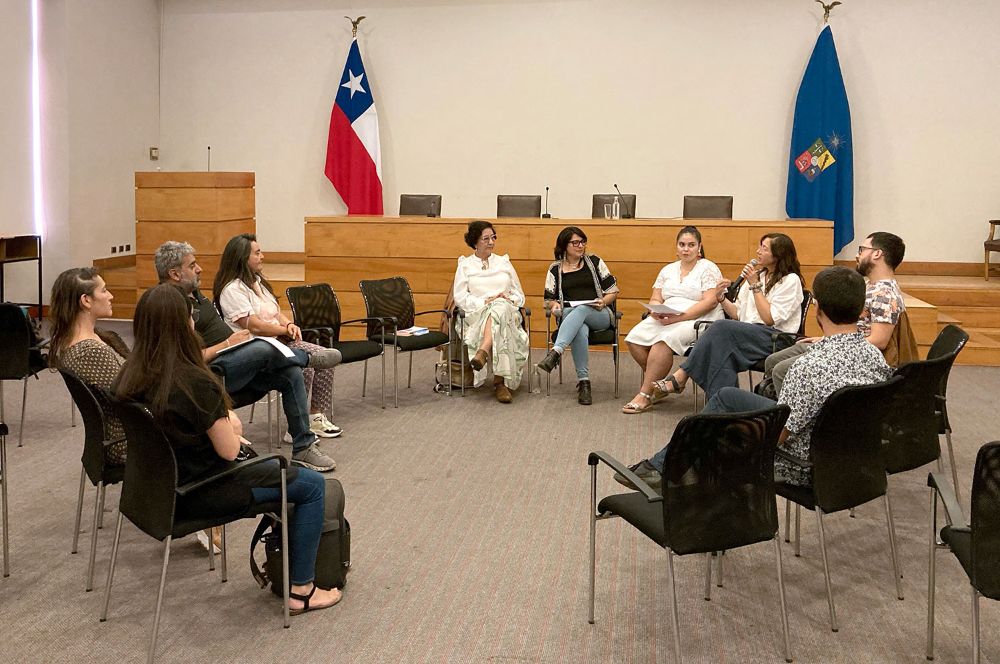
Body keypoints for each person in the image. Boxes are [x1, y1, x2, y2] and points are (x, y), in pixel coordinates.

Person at [113, 284, 341, 614]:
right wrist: (231, 424)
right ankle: (302, 590)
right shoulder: (194, 381)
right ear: (183, 325)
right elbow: (229, 451)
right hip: (202, 492)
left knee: (278, 472)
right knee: (312, 486)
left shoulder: (128, 377)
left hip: (152, 492)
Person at [618, 266, 892, 490]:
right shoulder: (875, 357)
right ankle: (670, 467)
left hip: (803, 465)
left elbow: (779, 435)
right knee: (727, 399)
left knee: (724, 411)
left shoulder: (807, 367)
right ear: (861, 311)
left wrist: (736, 427)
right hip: (853, 459)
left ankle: (666, 469)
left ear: (817, 309)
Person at [155, 241, 338, 473]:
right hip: (211, 375)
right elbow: (183, 362)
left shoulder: (195, 295)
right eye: (192, 265)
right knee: (262, 347)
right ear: (174, 274)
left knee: (290, 374)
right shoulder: (168, 305)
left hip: (236, 363)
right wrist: (228, 343)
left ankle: (303, 448)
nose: (199, 268)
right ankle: (306, 359)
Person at [212, 234, 344, 442]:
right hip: (258, 349)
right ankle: (296, 428)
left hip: (279, 342)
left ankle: (315, 417)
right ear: (242, 258)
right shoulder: (232, 290)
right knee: (307, 365)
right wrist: (282, 331)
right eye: (257, 253)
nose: (263, 256)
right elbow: (253, 325)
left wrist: (288, 324)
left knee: (326, 358)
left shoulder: (257, 282)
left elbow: (275, 312)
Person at [650, 232, 804, 402]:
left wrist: (755, 287)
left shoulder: (790, 280)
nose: (758, 251)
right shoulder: (757, 276)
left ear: (778, 255)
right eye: (759, 246)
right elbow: (738, 314)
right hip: (747, 335)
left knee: (721, 327)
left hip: (775, 338)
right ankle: (724, 410)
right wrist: (721, 298)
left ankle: (681, 376)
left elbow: (769, 319)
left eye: (764, 248)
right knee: (722, 356)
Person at [762, 231, 907, 397]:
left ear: (877, 254)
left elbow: (879, 341)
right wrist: (826, 339)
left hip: (853, 355)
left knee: (781, 370)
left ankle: (791, 416)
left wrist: (833, 343)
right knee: (772, 361)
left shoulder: (884, 293)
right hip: (841, 343)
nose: (856, 255)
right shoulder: (870, 285)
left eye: (862, 249)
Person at [619, 226, 724, 414]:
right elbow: (656, 297)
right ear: (676, 247)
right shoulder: (668, 269)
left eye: (691, 245)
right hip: (667, 315)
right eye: (682, 244)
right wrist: (655, 310)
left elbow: (710, 302)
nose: (686, 249)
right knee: (634, 338)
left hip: (696, 317)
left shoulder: (708, 267)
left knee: (662, 342)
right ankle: (660, 384)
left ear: (699, 247)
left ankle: (644, 395)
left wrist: (680, 317)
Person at [48, 267, 128, 466]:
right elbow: (132, 391)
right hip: (127, 438)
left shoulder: (89, 339)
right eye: (104, 290)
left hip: (129, 428)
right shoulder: (88, 352)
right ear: (86, 301)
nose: (111, 295)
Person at [535, 226, 619, 405]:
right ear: (564, 246)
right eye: (576, 243)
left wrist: (603, 301)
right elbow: (548, 300)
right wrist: (555, 304)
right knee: (579, 327)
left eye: (583, 242)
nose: (580, 246)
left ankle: (556, 351)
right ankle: (584, 382)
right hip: (569, 315)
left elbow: (612, 291)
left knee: (581, 310)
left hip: (599, 313)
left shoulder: (595, 262)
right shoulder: (555, 269)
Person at [452, 220, 530, 403]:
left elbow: (519, 294)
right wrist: (485, 301)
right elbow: (460, 298)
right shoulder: (465, 265)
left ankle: (483, 351)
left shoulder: (503, 262)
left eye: (493, 237)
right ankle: (499, 383)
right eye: (485, 238)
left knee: (500, 308)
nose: (491, 242)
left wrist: (506, 298)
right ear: (475, 242)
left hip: (507, 311)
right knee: (496, 311)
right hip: (476, 313)